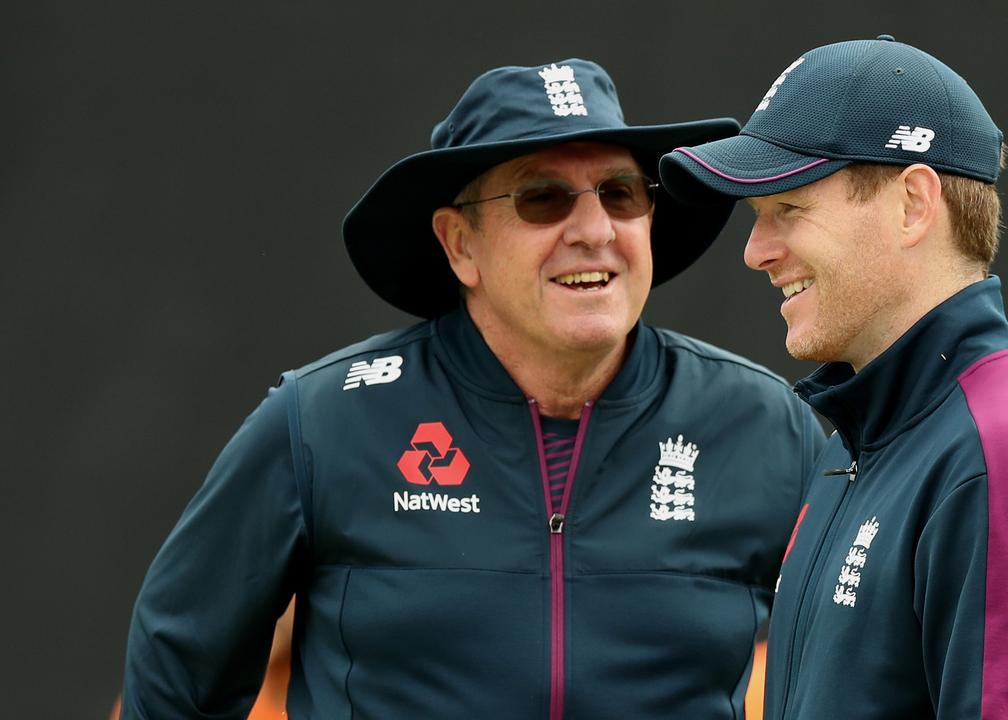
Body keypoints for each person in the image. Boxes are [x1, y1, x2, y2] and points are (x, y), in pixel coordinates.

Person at [121, 58, 825, 719]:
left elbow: (856, 673)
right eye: (542, 198)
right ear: (460, 244)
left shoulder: (767, 427)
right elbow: (174, 684)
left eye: (620, 193)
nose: (594, 229)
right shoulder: (322, 421)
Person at [660, 36, 1008, 720]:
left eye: (787, 209)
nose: (755, 251)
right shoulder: (861, 443)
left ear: (914, 203)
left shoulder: (1001, 459)